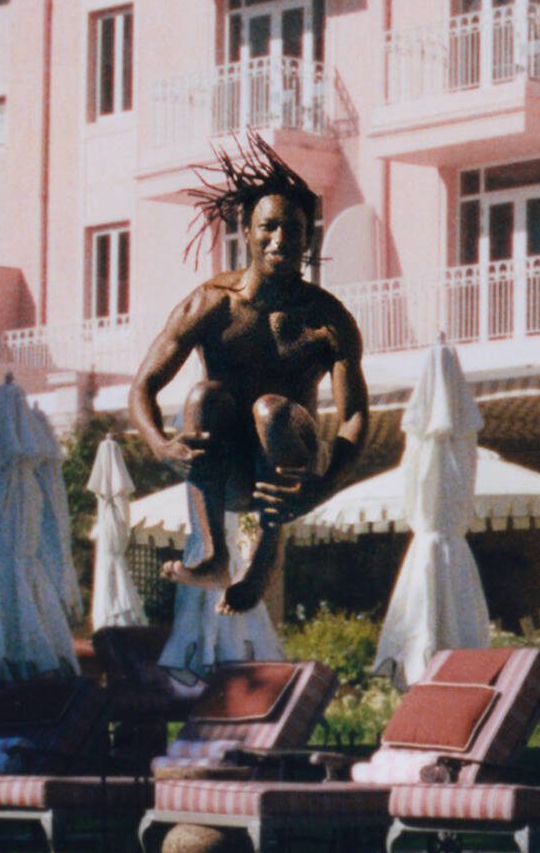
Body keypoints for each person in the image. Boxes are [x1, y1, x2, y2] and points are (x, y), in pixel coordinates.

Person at [127, 134, 370, 615]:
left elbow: (355, 417)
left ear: (309, 238)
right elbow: (144, 388)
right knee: (204, 397)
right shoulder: (212, 305)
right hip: (230, 467)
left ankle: (264, 556)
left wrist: (322, 488)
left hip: (292, 468)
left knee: (272, 409)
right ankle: (215, 553)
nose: (281, 240)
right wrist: (160, 444)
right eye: (269, 227)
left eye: (294, 230)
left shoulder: (327, 319)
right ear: (249, 230)